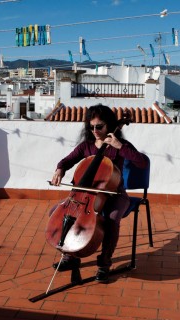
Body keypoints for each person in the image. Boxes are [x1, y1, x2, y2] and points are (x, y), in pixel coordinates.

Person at [50, 104, 148, 283]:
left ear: (109, 125)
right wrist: (59, 169)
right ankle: (70, 256)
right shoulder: (86, 146)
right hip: (83, 196)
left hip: (114, 195)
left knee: (111, 219)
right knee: (56, 212)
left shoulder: (120, 145)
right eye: (91, 126)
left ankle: (104, 264)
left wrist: (119, 146)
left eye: (99, 126)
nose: (95, 130)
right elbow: (68, 160)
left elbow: (142, 163)